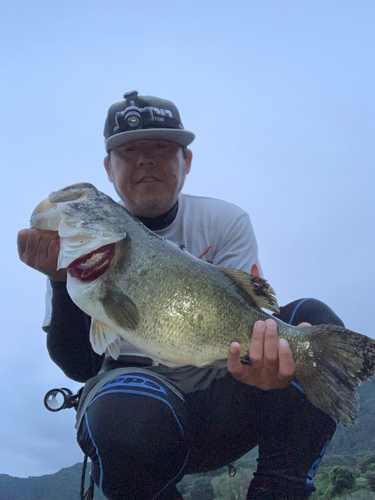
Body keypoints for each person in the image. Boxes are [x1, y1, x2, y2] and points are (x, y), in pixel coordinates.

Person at [18, 91, 344, 500]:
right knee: (126, 413)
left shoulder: (225, 221)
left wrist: (261, 359)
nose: (145, 160)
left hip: (221, 398)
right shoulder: (80, 245)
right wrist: (58, 282)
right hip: (137, 414)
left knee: (311, 319)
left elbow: (247, 315)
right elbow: (81, 366)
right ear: (109, 167)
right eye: (129, 150)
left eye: (161, 148)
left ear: (186, 161)